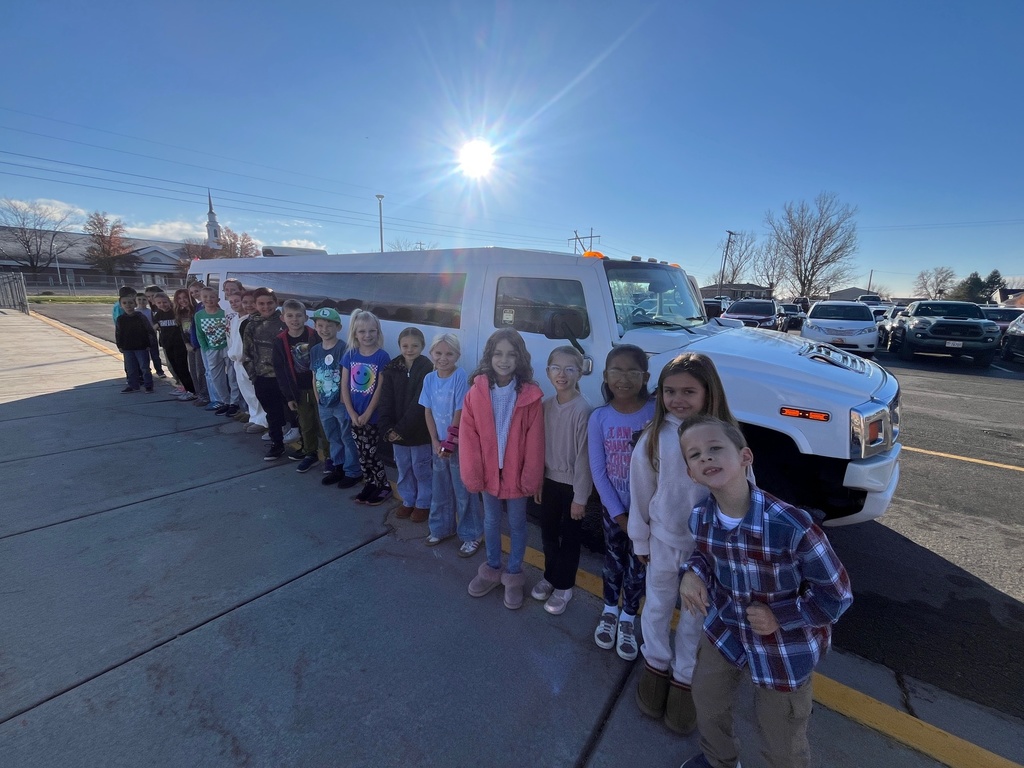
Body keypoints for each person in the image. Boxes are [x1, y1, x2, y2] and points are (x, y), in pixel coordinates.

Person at [677, 415, 853, 768]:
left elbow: (836, 594)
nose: (706, 458)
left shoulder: (791, 525)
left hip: (782, 646)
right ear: (691, 474)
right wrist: (692, 574)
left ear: (745, 457)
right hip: (726, 628)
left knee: (781, 735)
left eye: (715, 449)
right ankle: (719, 760)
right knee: (707, 700)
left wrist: (780, 617)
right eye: (695, 455)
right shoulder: (701, 517)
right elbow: (706, 555)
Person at [629, 353, 742, 734]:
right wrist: (639, 537)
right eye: (669, 391)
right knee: (658, 605)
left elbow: (744, 489)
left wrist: (738, 541)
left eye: (688, 391)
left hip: (707, 551)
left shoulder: (725, 438)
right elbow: (641, 491)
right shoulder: (654, 437)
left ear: (708, 392)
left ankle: (683, 678)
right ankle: (656, 664)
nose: (678, 399)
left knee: (696, 615)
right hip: (663, 541)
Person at [462, 328, 544, 610]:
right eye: (498, 353)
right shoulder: (476, 392)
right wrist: (473, 472)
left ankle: (513, 575)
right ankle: (493, 567)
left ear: (520, 358)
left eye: (511, 354)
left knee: (519, 523)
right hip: (487, 472)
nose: (504, 360)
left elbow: (535, 440)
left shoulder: (530, 394)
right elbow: (468, 435)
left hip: (517, 473)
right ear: (489, 356)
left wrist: (530, 475)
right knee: (491, 521)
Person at [587, 344, 654, 661]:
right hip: (614, 510)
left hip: (649, 512)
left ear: (646, 376)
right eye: (616, 370)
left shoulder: (655, 414)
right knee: (614, 562)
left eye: (632, 371)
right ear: (605, 375)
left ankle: (629, 617)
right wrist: (619, 515)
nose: (623, 378)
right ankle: (610, 610)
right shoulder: (599, 417)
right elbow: (598, 471)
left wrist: (643, 516)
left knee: (638, 567)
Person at [531, 345, 592, 616]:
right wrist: (538, 480)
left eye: (570, 369)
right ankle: (551, 576)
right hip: (549, 481)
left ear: (580, 373)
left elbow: (584, 458)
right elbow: (538, 448)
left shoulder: (583, 410)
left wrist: (580, 497)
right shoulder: (545, 406)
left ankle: (564, 585)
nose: (562, 374)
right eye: (556, 368)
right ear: (548, 371)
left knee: (569, 538)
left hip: (572, 486)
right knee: (547, 533)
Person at [419, 333, 482, 554]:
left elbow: (460, 410)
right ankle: (441, 528)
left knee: (463, 489)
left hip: (457, 445)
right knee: (440, 488)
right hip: (439, 445)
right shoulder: (429, 378)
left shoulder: (460, 376)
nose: (443, 358)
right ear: (431, 354)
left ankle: (472, 533)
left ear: (458, 355)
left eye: (449, 353)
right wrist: (435, 440)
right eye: (438, 353)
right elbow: (427, 410)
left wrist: (449, 442)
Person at [378, 327, 433, 521]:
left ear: (423, 346)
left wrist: (400, 429)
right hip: (395, 433)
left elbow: (420, 402)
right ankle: (408, 500)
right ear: (399, 346)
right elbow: (385, 400)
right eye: (405, 345)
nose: (410, 349)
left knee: (422, 468)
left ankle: (424, 503)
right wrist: (387, 428)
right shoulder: (392, 368)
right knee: (404, 467)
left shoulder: (427, 368)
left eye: (415, 346)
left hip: (419, 432)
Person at [341, 309, 393, 506]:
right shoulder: (350, 355)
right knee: (362, 453)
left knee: (372, 452)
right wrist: (352, 413)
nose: (367, 336)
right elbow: (344, 386)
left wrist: (368, 413)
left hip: (371, 416)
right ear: (355, 333)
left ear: (378, 332)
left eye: (372, 331)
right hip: (354, 416)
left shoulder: (382, 357)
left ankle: (383, 485)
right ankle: (370, 483)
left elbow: (380, 389)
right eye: (362, 332)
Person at [308, 307, 362, 489]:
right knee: (333, 437)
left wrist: (344, 400)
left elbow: (349, 377)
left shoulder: (344, 349)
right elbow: (315, 374)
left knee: (347, 437)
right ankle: (338, 467)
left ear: (339, 327)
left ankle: (352, 470)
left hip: (340, 403)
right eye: (320, 325)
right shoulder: (315, 350)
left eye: (329, 325)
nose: (324, 329)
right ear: (315, 327)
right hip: (324, 403)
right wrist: (317, 398)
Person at [272, 299, 327, 474]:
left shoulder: (314, 336)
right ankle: (310, 453)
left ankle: (330, 455)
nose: (294, 319)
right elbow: (280, 371)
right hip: (298, 391)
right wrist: (289, 397)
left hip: (319, 388)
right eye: (290, 316)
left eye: (298, 316)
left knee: (324, 422)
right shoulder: (280, 341)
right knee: (306, 423)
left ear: (306, 317)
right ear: (283, 318)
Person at [244, 288, 289, 460]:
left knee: (292, 413)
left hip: (284, 377)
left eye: (269, 302)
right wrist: (254, 377)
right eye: (261, 303)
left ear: (276, 302)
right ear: (255, 305)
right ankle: (277, 444)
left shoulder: (284, 321)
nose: (266, 306)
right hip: (263, 378)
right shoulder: (251, 325)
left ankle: (306, 447)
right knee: (272, 414)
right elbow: (247, 354)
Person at [227, 292, 267, 434]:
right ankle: (255, 417)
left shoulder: (255, 321)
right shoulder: (237, 320)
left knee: (256, 392)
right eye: (245, 302)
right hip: (238, 362)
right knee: (247, 392)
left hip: (250, 362)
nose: (248, 305)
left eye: (252, 302)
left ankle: (263, 420)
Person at [194, 286, 231, 413]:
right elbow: (200, 333)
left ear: (218, 299)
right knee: (216, 377)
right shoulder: (199, 315)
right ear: (201, 299)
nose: (209, 299)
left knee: (232, 376)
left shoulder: (224, 313)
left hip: (226, 347)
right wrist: (206, 348)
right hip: (211, 349)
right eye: (205, 297)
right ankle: (225, 400)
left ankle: (235, 402)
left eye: (212, 297)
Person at [151, 292, 195, 399]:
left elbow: (183, 327)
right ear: (155, 304)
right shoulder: (158, 315)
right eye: (159, 303)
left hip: (179, 344)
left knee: (182, 368)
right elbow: (156, 326)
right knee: (175, 368)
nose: (162, 305)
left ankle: (191, 390)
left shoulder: (176, 312)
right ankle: (183, 387)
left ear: (169, 301)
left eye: (164, 302)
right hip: (167, 344)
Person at [114, 292, 157, 393]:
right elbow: (118, 333)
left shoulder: (140, 317)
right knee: (131, 368)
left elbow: (149, 331)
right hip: (127, 347)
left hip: (141, 347)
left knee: (144, 367)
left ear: (135, 304)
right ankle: (133, 385)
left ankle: (148, 385)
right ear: (121, 305)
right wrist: (119, 345)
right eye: (124, 303)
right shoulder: (121, 319)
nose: (128, 305)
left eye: (130, 303)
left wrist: (149, 344)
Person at [175, 287, 209, 406]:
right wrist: (186, 343)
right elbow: (182, 330)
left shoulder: (197, 309)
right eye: (179, 298)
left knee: (201, 371)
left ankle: (205, 395)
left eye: (185, 297)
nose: (182, 300)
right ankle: (198, 393)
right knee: (193, 371)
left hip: (199, 344)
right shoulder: (180, 312)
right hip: (190, 345)